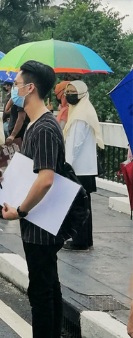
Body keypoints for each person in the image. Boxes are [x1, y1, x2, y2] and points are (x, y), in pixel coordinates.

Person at [0, 60, 67, 338]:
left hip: (40, 222)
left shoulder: (45, 127)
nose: (15, 88)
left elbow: (47, 179)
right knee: (49, 285)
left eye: (18, 83)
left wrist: (20, 211)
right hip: (40, 220)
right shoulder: (39, 125)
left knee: (41, 289)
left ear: (30, 88)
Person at [61, 81, 103, 251]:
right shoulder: (83, 111)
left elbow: (74, 145)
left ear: (82, 93)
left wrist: (66, 166)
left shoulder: (80, 115)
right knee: (84, 204)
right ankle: (86, 240)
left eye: (73, 91)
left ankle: (79, 241)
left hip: (78, 168)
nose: (69, 94)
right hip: (84, 169)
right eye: (67, 91)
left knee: (78, 206)